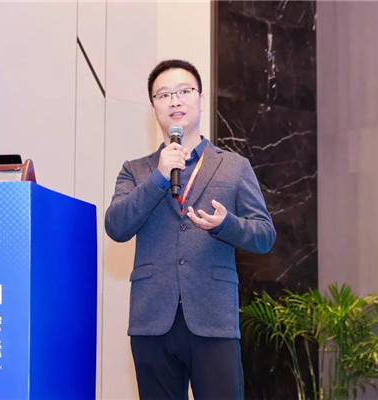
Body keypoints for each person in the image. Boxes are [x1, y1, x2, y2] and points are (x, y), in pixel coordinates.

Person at [105, 59, 276, 400]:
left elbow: (264, 235)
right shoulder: (136, 170)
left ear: (201, 99)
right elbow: (116, 226)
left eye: (184, 91)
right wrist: (159, 177)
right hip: (152, 319)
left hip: (213, 317)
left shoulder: (234, 166)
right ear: (153, 107)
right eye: (164, 94)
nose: (175, 100)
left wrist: (225, 224)